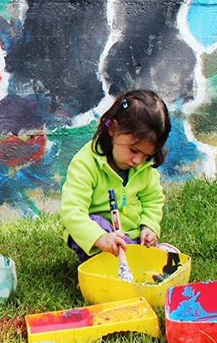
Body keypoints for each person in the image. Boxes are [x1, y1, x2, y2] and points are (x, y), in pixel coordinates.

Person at [60, 90, 178, 262]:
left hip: (131, 237)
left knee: (141, 252)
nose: (137, 160)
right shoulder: (85, 163)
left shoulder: (144, 168)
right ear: (113, 129)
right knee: (96, 222)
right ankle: (123, 262)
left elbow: (153, 200)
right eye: (134, 150)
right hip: (96, 240)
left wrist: (149, 227)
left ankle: (137, 255)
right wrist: (100, 237)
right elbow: (72, 212)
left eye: (146, 155)